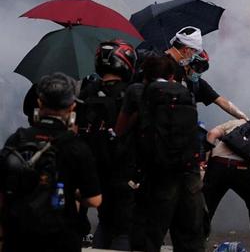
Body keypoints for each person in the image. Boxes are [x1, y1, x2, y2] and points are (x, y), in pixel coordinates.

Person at [0, 73, 102, 252]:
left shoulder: (17, 140)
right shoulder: (76, 147)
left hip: (18, 237)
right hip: (62, 239)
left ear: (39, 103)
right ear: (72, 107)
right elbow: (94, 200)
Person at [123, 56, 205, 252]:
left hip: (157, 172)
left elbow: (121, 129)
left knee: (150, 232)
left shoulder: (137, 92)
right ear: (171, 75)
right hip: (188, 171)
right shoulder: (185, 93)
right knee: (188, 233)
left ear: (145, 74)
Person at [78, 40, 137, 250]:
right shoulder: (131, 92)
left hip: (93, 166)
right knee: (124, 227)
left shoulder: (87, 91)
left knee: (104, 220)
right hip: (124, 167)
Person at [202, 107, 250, 249]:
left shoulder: (236, 123)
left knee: (206, 205)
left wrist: (207, 160)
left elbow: (211, 134)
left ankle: (198, 239)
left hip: (218, 165)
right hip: (242, 169)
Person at [164, 26, 248, 120]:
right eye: (194, 51)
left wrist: (247, 120)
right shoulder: (161, 66)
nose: (193, 55)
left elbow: (220, 101)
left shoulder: (193, 82)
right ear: (187, 50)